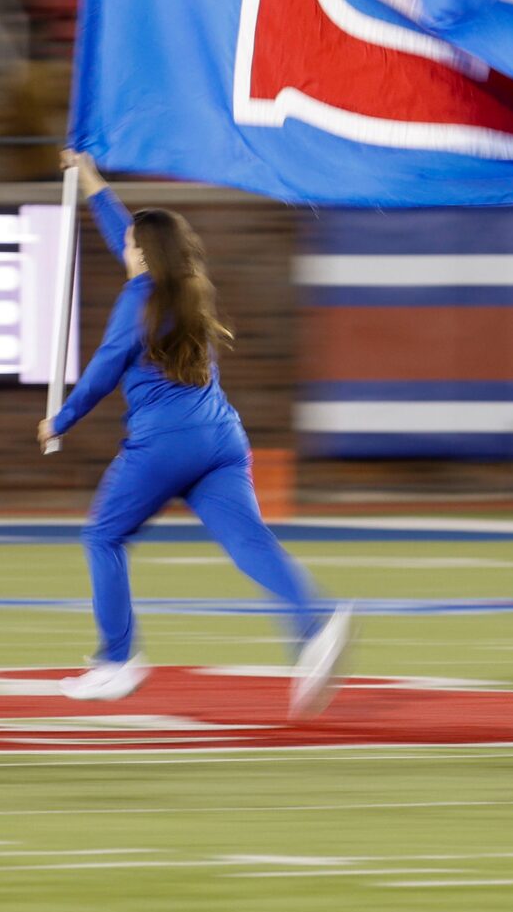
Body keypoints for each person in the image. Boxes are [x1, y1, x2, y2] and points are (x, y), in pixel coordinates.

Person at [41, 151, 354, 716]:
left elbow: (103, 372)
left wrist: (58, 420)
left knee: (103, 537)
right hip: (221, 440)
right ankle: (316, 620)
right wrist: (89, 178)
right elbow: (125, 234)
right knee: (250, 543)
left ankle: (117, 660)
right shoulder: (186, 286)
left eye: (133, 245)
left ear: (144, 254)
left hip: (164, 444)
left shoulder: (137, 300)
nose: (125, 248)